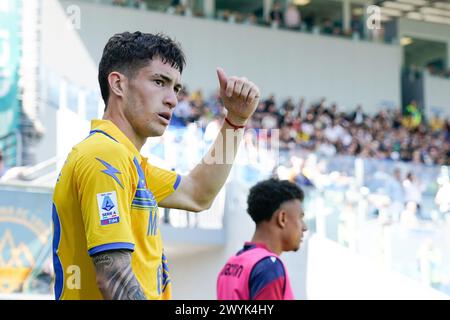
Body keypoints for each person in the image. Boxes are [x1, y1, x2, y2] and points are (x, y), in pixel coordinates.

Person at [52, 31, 260, 300]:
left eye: (175, 88)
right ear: (118, 85)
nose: (172, 99)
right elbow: (113, 275)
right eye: (159, 82)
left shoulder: (130, 163)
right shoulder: (104, 155)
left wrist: (235, 121)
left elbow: (198, 193)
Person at [217, 178, 308, 300]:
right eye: (300, 217)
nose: (304, 227)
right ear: (282, 218)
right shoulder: (269, 266)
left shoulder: (231, 264)